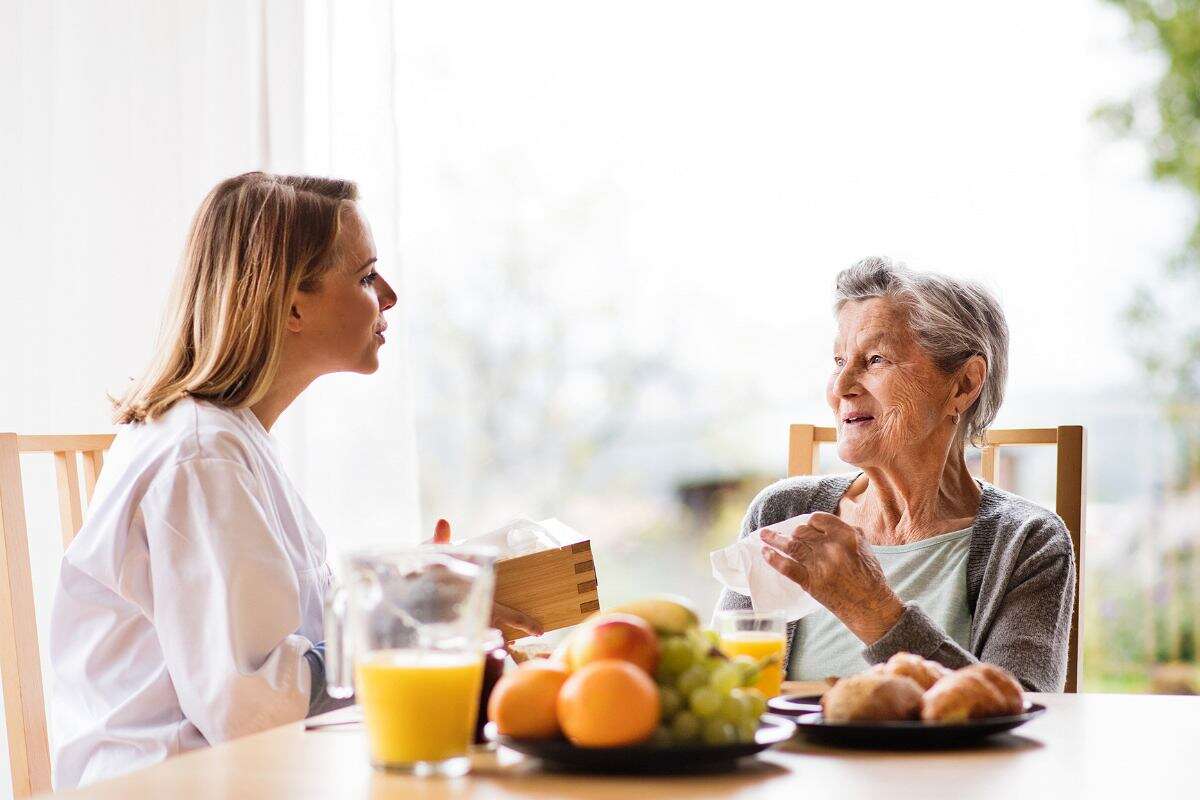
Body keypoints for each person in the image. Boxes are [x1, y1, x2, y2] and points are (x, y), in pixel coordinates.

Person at [50, 172, 540, 789]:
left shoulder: (232, 441)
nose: (389, 296)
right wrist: (417, 626)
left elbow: (286, 651)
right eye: (365, 276)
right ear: (290, 305)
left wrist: (414, 601)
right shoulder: (203, 457)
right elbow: (252, 703)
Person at [715, 256, 1075, 691]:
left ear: (963, 385)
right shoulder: (783, 512)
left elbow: (1023, 708)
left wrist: (874, 611)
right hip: (798, 759)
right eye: (839, 359)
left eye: (876, 359)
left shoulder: (1027, 541)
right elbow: (725, 684)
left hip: (944, 764)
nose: (841, 386)